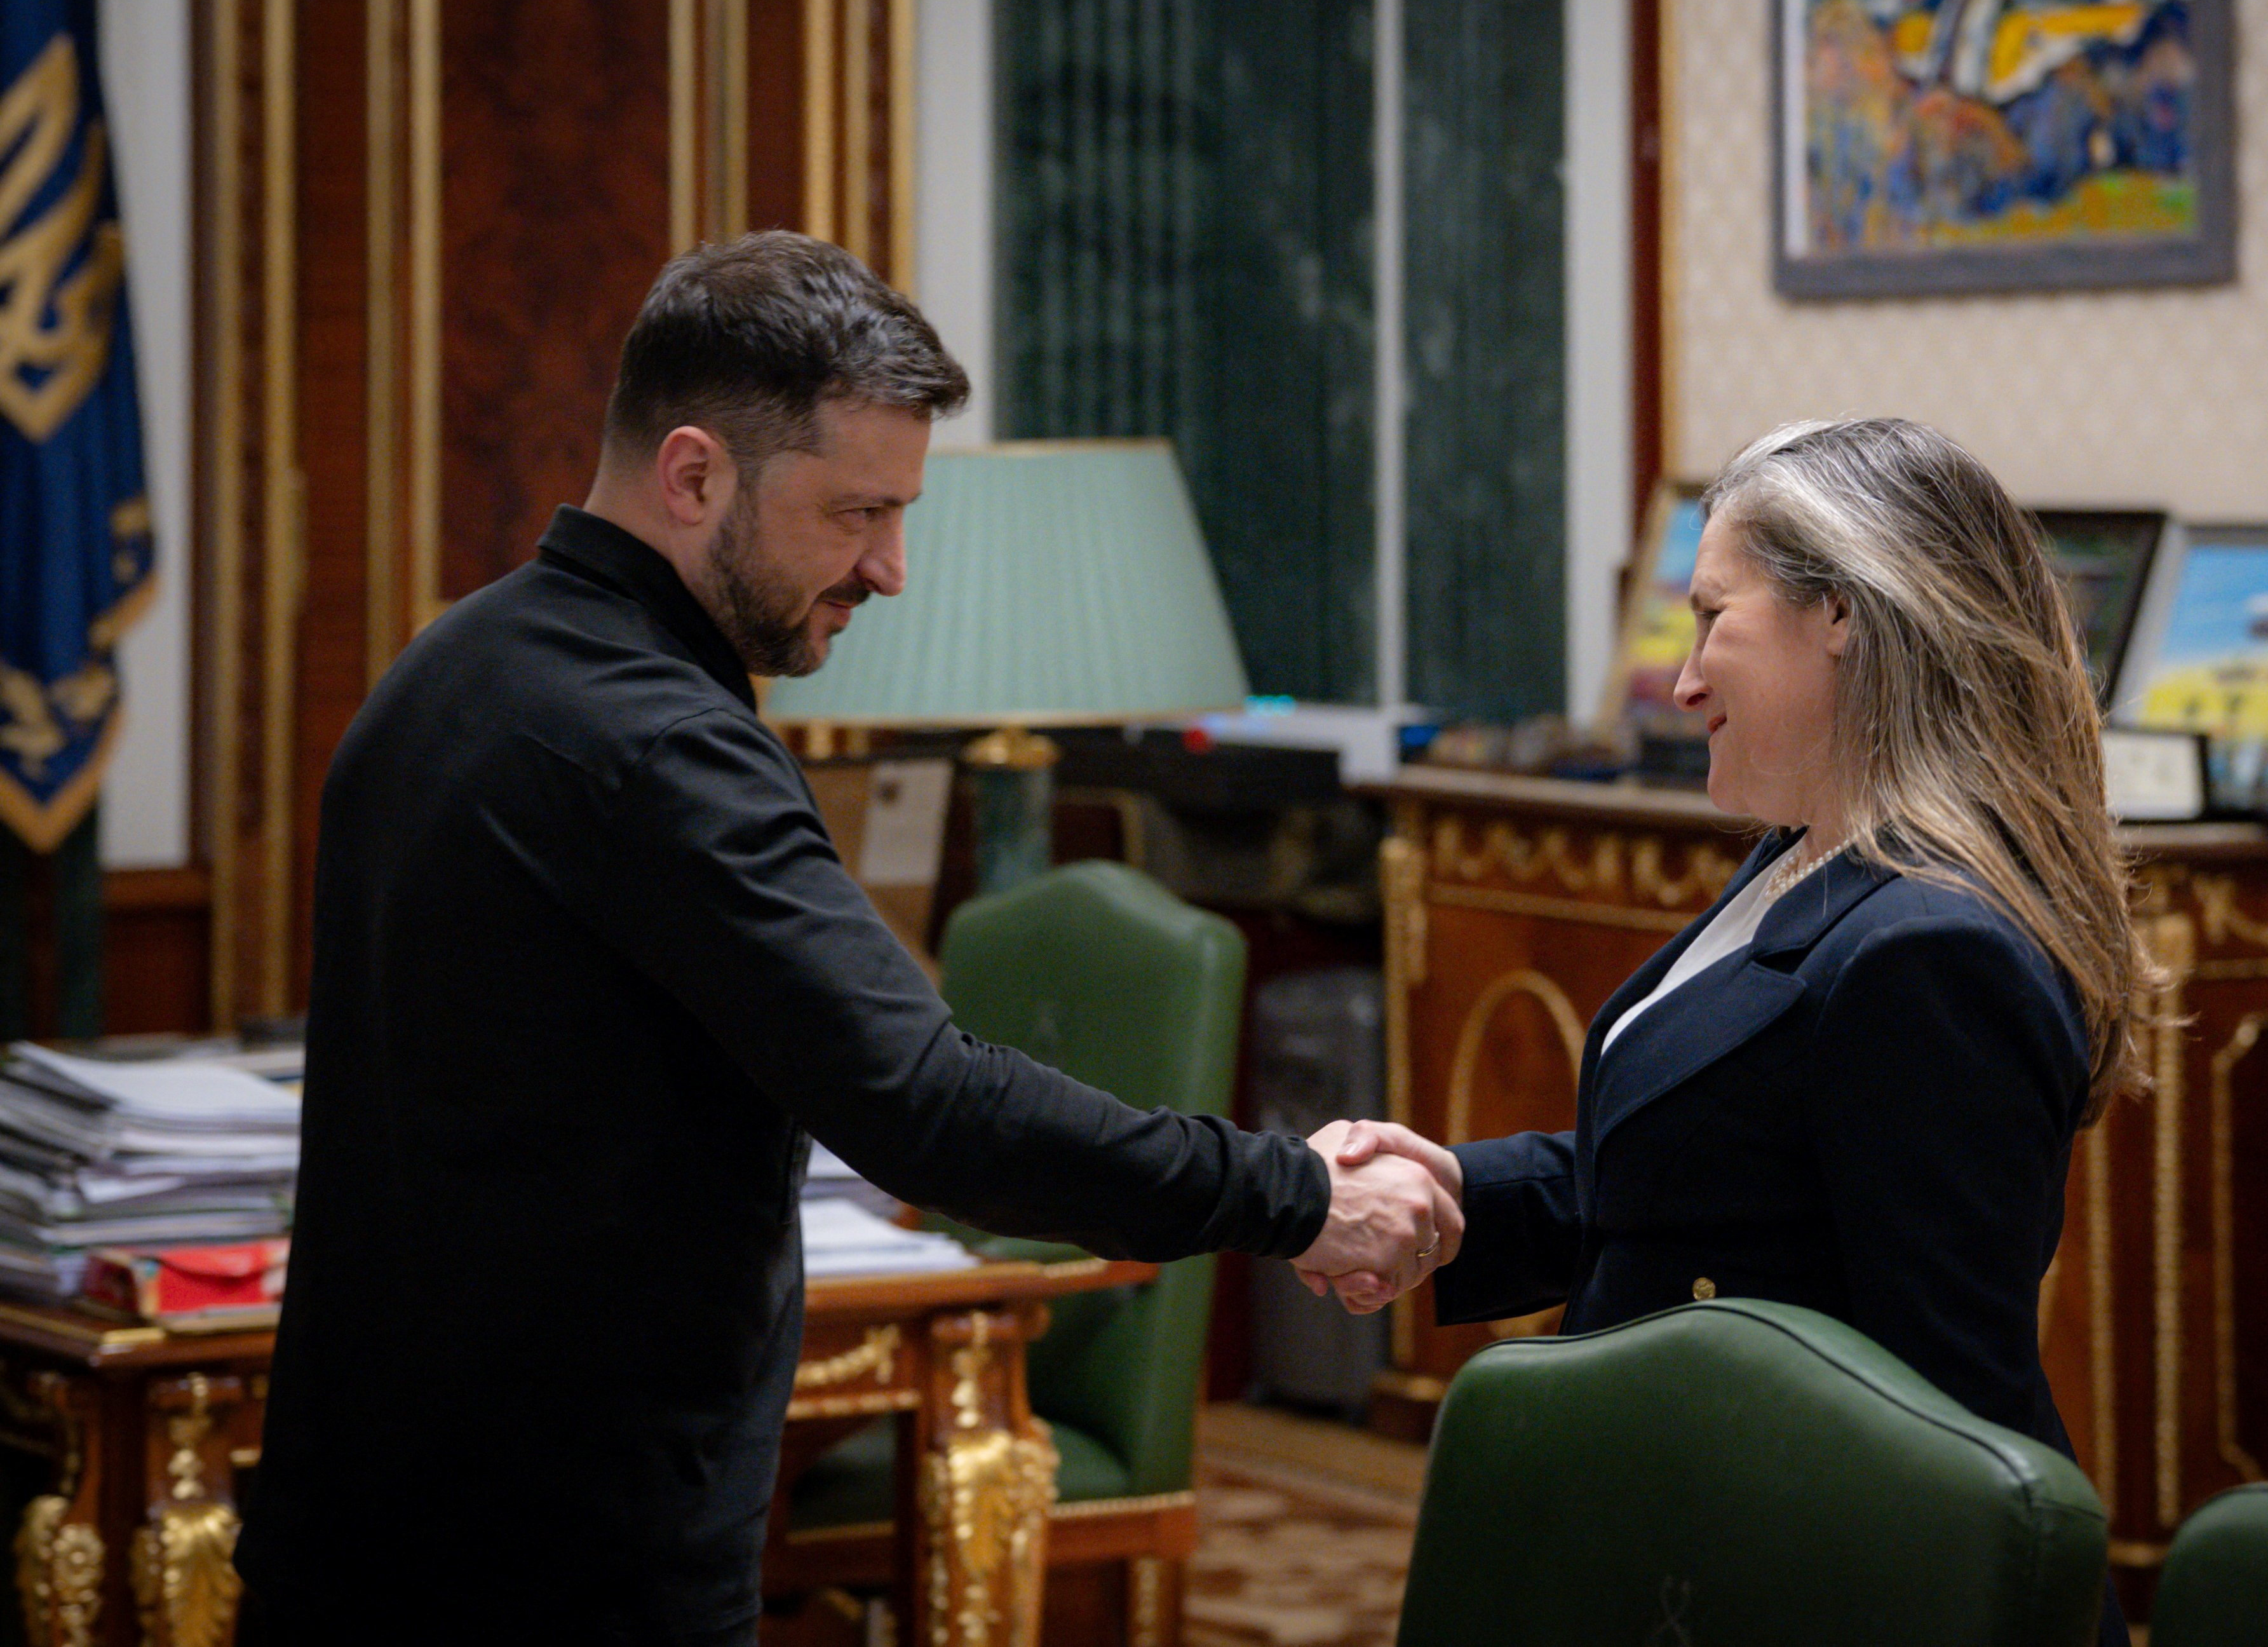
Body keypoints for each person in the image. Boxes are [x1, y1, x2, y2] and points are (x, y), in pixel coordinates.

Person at [235, 231, 1458, 1645]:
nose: (888, 569)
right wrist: (1291, 1194)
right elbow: (928, 1107)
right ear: (693, 475)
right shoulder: (661, 745)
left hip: (361, 1540)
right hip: (566, 1569)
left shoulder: (445, 667)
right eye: (854, 514)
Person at [1315, 417, 2154, 1647]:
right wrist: (1459, 1191)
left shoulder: (1931, 949)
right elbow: (1710, 1183)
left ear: (1846, 618)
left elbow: (1941, 1408)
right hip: (1696, 1544)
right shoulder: (1811, 859)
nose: (1685, 674)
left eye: (1714, 618)